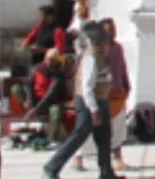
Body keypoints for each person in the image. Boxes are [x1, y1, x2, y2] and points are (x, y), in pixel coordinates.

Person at [42, 21, 119, 179]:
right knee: (80, 135)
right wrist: (94, 109)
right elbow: (87, 86)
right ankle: (52, 167)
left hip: (100, 101)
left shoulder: (99, 55)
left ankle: (107, 173)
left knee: (104, 137)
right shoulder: (91, 57)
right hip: (89, 102)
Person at [76, 18, 132, 173]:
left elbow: (122, 67)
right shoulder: (96, 51)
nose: (111, 32)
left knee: (118, 128)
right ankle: (79, 157)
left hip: (117, 93)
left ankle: (116, 158)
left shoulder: (118, 48)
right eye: (108, 30)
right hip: (100, 95)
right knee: (89, 130)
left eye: (113, 29)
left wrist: (126, 85)